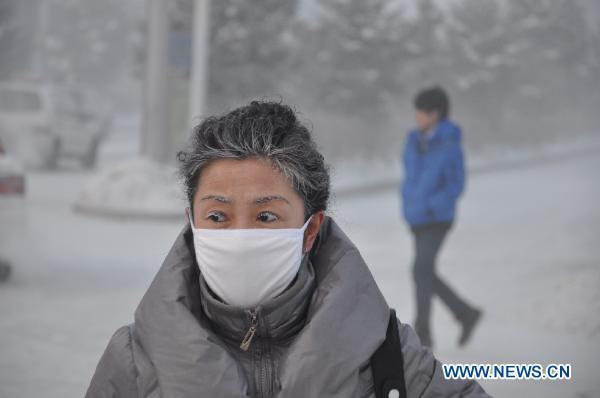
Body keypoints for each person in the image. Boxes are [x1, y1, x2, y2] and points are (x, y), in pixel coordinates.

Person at [86, 101, 490, 397]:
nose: (240, 236)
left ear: (311, 229)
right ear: (192, 223)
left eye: (266, 217)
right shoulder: (136, 361)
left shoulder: (387, 356)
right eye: (217, 217)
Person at [401, 86, 482, 348]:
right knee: (423, 272)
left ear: (435, 113)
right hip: (417, 218)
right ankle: (465, 314)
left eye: (421, 111)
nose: (417, 116)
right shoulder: (414, 141)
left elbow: (456, 185)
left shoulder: (450, 143)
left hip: (438, 218)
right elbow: (411, 179)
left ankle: (422, 333)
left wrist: (431, 206)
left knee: (420, 269)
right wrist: (410, 205)